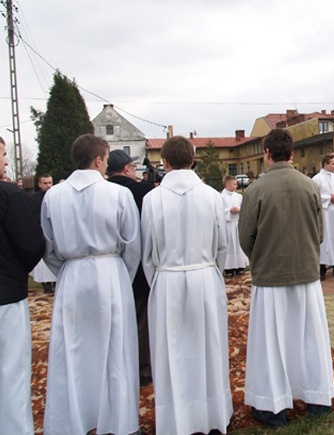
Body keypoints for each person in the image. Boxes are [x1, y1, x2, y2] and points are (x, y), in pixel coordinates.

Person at [41, 134, 142, 435]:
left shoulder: (53, 196)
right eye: (107, 159)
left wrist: (69, 270)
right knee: (116, 350)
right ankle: (120, 422)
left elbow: (48, 247)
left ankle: (74, 420)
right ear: (98, 160)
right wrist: (119, 275)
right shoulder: (117, 195)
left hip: (71, 276)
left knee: (73, 350)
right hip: (110, 272)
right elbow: (132, 244)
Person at [239, 129, 334, 428]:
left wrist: (262, 257)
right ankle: (318, 398)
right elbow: (319, 233)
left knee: (271, 341)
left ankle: (272, 407)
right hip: (305, 271)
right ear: (292, 154)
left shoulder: (255, 190)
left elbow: (246, 237)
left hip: (271, 273)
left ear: (266, 153)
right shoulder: (309, 186)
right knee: (310, 336)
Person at [141, 135, 232, 434]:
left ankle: (176, 419)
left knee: (172, 352)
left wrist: (160, 279)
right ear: (192, 160)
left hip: (167, 279)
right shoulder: (212, 196)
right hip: (205, 277)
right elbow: (222, 245)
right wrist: (213, 274)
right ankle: (212, 415)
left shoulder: (152, 199)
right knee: (209, 346)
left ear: (164, 162)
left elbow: (147, 253)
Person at [0, 136, 45, 435]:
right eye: (2, 155)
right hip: (4, 298)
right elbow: (31, 245)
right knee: (11, 374)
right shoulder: (8, 196)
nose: (5, 162)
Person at [107, 149, 155, 386]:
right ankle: (143, 369)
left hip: (108, 266)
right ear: (127, 169)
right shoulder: (144, 191)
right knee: (142, 322)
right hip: (140, 268)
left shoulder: (104, 192)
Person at [312, 154, 334, 280]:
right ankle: (322, 269)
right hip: (325, 213)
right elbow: (314, 196)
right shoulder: (316, 179)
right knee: (325, 239)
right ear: (326, 164)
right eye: (333, 163)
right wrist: (328, 198)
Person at [30, 173, 57, 293]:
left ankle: (56, 281)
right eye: (45, 183)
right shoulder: (34, 199)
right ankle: (46, 284)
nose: (48, 186)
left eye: (50, 183)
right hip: (40, 232)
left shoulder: (57, 196)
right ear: (40, 184)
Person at [221, 175, 249, 277]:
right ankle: (229, 268)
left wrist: (239, 210)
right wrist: (229, 211)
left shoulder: (239, 197)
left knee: (238, 245)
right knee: (229, 246)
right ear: (227, 184)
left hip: (237, 223)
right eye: (234, 184)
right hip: (227, 225)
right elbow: (219, 211)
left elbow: (244, 208)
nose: (236, 186)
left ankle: (240, 267)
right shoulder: (221, 197)